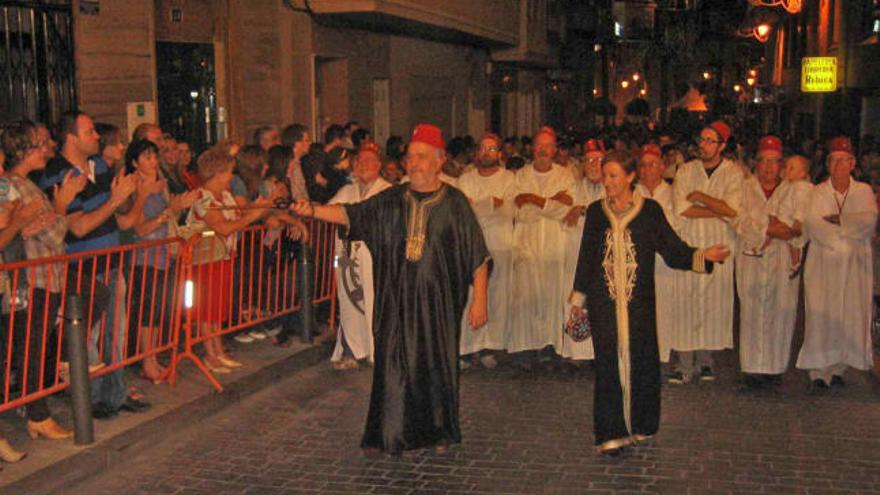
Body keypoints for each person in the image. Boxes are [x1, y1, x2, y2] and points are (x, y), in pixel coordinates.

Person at [290, 123, 490, 456]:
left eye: (422, 157)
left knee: (435, 365)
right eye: (410, 157)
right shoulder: (391, 200)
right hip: (394, 301)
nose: (414, 164)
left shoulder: (454, 202)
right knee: (393, 364)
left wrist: (479, 298)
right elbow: (350, 214)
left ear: (439, 161)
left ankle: (439, 431)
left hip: (438, 306)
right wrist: (311, 209)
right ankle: (389, 433)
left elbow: (478, 256)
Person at [567, 150, 730, 456]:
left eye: (614, 176)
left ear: (630, 177)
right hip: (604, 305)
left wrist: (702, 256)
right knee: (607, 364)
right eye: (605, 176)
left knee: (642, 361)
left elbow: (672, 249)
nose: (608, 182)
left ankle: (642, 425)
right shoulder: (596, 212)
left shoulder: (650, 211)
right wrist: (579, 299)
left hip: (638, 303)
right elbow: (587, 258)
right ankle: (611, 432)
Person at [40, 111, 151, 419]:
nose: (97, 137)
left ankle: (114, 395)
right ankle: (91, 398)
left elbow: (114, 216)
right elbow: (77, 227)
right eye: (90, 132)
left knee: (115, 335)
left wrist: (131, 197)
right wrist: (115, 200)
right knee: (86, 338)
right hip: (84, 268)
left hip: (112, 260)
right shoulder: (57, 173)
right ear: (71, 137)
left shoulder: (98, 165)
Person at [1, 121, 79, 444]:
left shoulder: (26, 186)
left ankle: (39, 405)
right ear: (25, 150)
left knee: (35, 345)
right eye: (41, 144)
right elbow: (56, 232)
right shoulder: (16, 187)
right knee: (30, 348)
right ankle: (37, 413)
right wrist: (62, 204)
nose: (48, 149)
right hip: (33, 278)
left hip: (45, 277)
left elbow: (48, 228)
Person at [797, 136, 878, 392]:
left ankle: (839, 368)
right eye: (834, 161)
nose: (838, 166)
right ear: (828, 163)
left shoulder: (863, 191)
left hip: (854, 266)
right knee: (822, 314)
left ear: (852, 163)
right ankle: (818, 372)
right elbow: (813, 223)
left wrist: (840, 220)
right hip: (824, 264)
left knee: (849, 314)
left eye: (844, 161)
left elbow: (869, 221)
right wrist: (847, 229)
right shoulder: (818, 192)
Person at [667, 121, 742, 384]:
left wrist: (699, 195)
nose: (704, 145)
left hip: (719, 244)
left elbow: (733, 209)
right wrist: (717, 209)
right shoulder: (686, 170)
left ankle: (706, 360)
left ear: (722, 145)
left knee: (713, 302)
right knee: (686, 302)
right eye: (702, 139)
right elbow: (680, 208)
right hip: (691, 243)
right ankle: (684, 362)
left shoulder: (733, 173)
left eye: (711, 141)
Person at [184, 148, 272, 373]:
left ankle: (218, 349)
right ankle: (210, 353)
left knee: (218, 306)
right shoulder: (202, 198)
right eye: (228, 172)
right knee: (207, 308)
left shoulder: (225, 196)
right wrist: (253, 215)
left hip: (223, 256)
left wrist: (258, 209)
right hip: (204, 259)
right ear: (216, 173)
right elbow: (222, 226)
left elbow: (239, 214)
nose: (231, 177)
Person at [124, 139, 197, 382]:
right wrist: (170, 211)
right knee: (148, 309)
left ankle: (154, 357)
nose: (153, 161)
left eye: (154, 157)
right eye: (146, 157)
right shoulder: (135, 188)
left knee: (160, 309)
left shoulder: (161, 185)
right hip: (145, 256)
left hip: (164, 254)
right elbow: (140, 228)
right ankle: (147, 360)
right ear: (134, 162)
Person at [735, 136, 801, 389]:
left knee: (781, 311)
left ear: (781, 165)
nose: (768, 167)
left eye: (774, 162)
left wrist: (786, 232)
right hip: (752, 255)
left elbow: (796, 225)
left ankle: (775, 369)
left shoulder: (792, 190)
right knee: (750, 310)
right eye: (764, 161)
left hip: (780, 258)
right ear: (756, 164)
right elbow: (738, 219)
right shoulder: (743, 188)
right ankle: (751, 368)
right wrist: (768, 229)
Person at [509, 127, 577, 368]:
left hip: (553, 243)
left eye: (548, 146)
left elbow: (567, 210)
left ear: (555, 149)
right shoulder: (521, 176)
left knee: (553, 295)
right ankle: (527, 348)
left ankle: (550, 346)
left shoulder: (565, 175)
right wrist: (551, 201)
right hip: (527, 241)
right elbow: (519, 211)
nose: (543, 150)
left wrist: (534, 199)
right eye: (539, 145)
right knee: (526, 296)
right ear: (532, 148)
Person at [328, 143, 392, 370]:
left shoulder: (387, 190)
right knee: (348, 302)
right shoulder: (346, 191)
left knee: (376, 302)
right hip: (346, 257)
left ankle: (378, 350)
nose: (363, 165)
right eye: (359, 162)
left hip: (374, 257)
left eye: (368, 161)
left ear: (378, 165)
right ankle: (351, 350)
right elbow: (330, 212)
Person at [456, 133, 515, 369]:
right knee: (471, 295)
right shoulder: (466, 178)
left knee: (496, 296)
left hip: (500, 243)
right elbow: (464, 209)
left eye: (492, 149)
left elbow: (508, 209)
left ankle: (489, 346)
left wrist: (484, 205)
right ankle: (467, 348)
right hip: (472, 244)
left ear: (499, 154)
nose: (487, 153)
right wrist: (491, 204)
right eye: (483, 148)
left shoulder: (509, 178)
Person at [558, 138, 607, 364]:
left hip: (604, 255)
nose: (594, 165)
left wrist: (584, 210)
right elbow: (563, 215)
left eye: (598, 160)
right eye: (588, 161)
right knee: (575, 298)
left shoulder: (613, 187)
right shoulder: (573, 188)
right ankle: (577, 352)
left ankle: (601, 352)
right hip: (576, 252)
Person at [634, 144, 678, 363]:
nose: (647, 169)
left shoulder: (672, 193)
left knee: (663, 309)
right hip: (638, 262)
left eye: (652, 164)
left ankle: (661, 357)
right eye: (643, 165)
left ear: (662, 167)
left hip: (662, 262)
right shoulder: (631, 193)